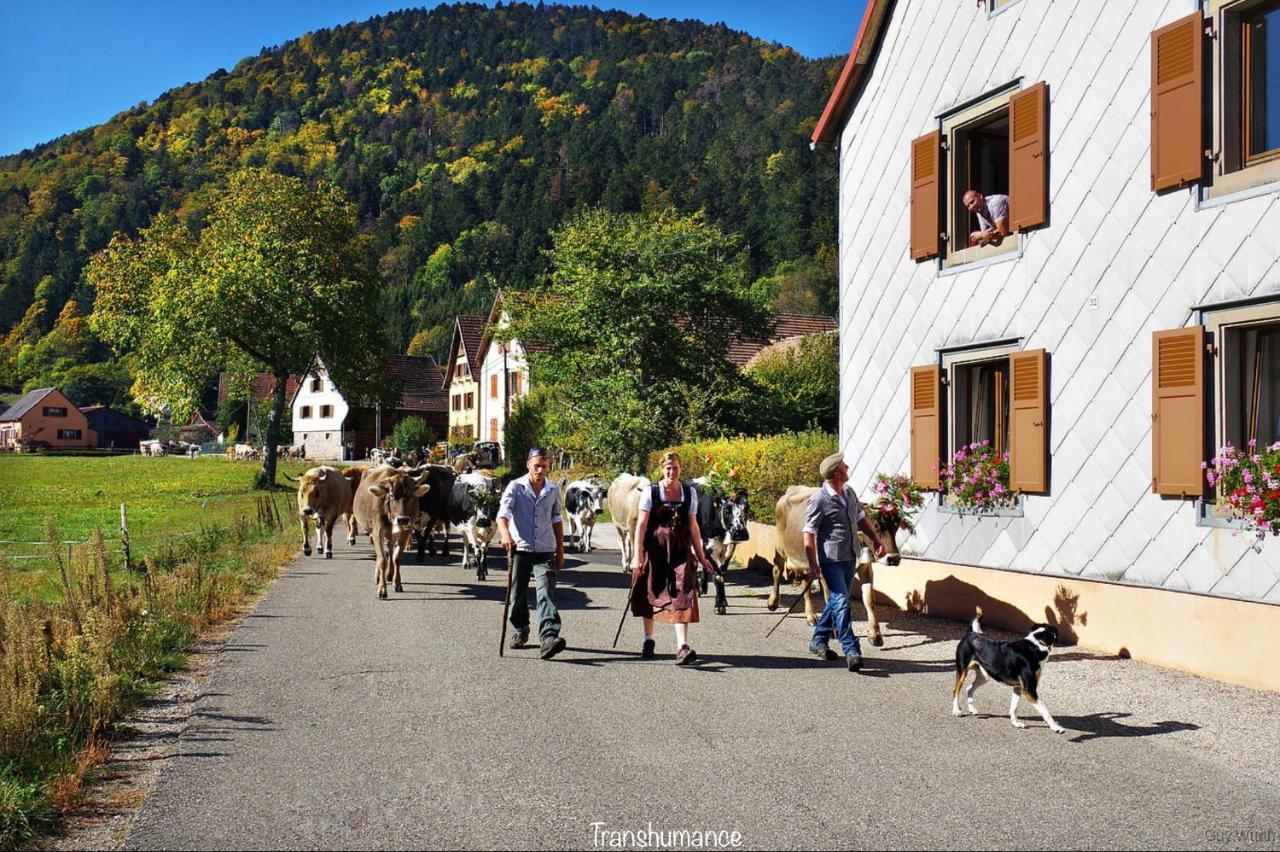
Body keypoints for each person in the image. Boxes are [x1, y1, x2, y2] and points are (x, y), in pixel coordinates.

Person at [629, 451, 717, 665]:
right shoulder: (651, 492)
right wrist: (637, 555)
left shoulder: (689, 494)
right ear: (662, 469)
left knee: (684, 591)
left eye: (675, 468)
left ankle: (682, 646)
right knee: (651, 591)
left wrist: (702, 556)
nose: (671, 472)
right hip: (655, 549)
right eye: (668, 468)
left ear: (680, 469)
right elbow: (641, 526)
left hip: (680, 550)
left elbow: (694, 527)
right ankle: (648, 640)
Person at [805, 452, 886, 672]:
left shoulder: (849, 492)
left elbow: (860, 518)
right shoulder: (819, 499)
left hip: (851, 555)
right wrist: (813, 565)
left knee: (835, 604)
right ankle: (851, 649)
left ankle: (818, 640)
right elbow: (809, 533)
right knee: (841, 602)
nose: (847, 466)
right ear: (836, 473)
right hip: (830, 559)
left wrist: (877, 540)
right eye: (843, 466)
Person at [498, 447, 568, 660]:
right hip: (521, 548)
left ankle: (548, 637)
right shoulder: (516, 487)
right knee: (518, 592)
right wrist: (505, 535)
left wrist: (560, 550)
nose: (540, 470)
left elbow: (556, 519)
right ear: (528, 464)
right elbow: (503, 514)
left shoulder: (552, 489)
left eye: (544, 466)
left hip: (545, 548)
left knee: (545, 590)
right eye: (537, 465)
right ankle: (520, 629)